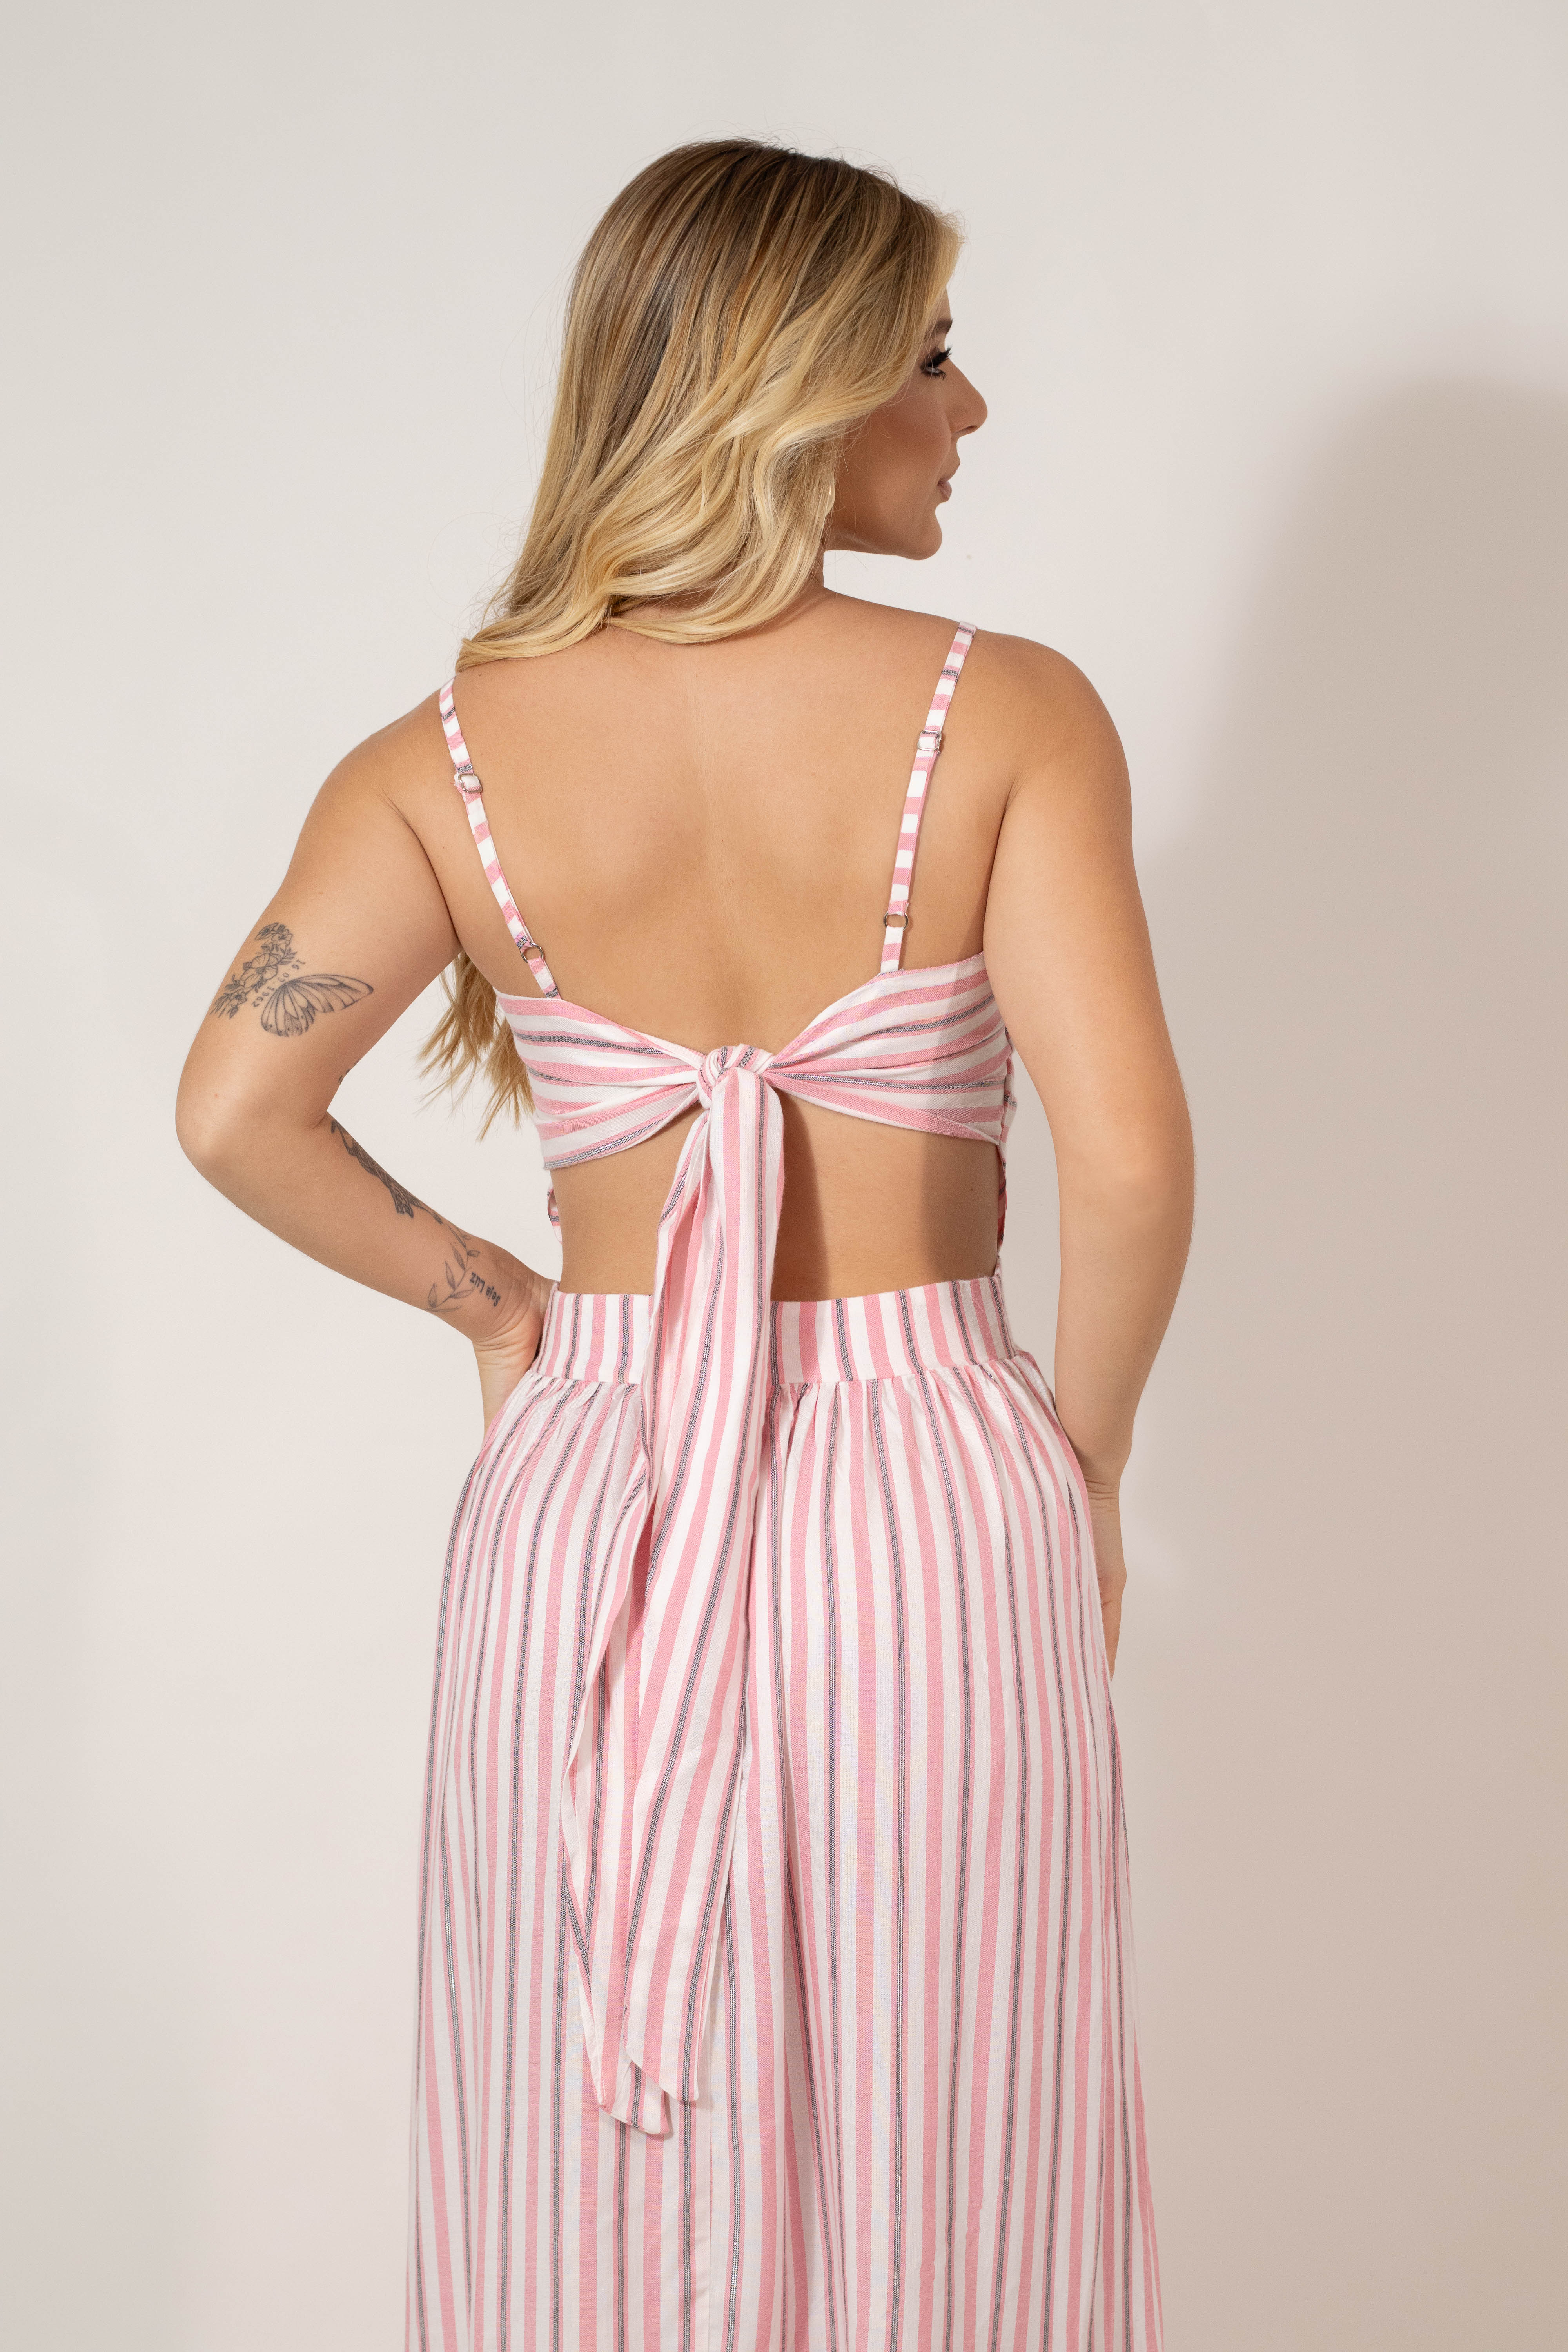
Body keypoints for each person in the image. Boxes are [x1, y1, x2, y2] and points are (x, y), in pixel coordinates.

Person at [176, 137, 1191, 2352]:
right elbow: (1127, 1168)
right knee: (968, 2133)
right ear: (795, 380)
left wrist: (504, 1313)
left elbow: (234, 1110)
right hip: (935, 1479)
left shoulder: (442, 757)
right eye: (931, 351)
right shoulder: (1009, 710)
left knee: (579, 2162)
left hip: (594, 1488)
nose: (971, 405)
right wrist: (1091, 1469)